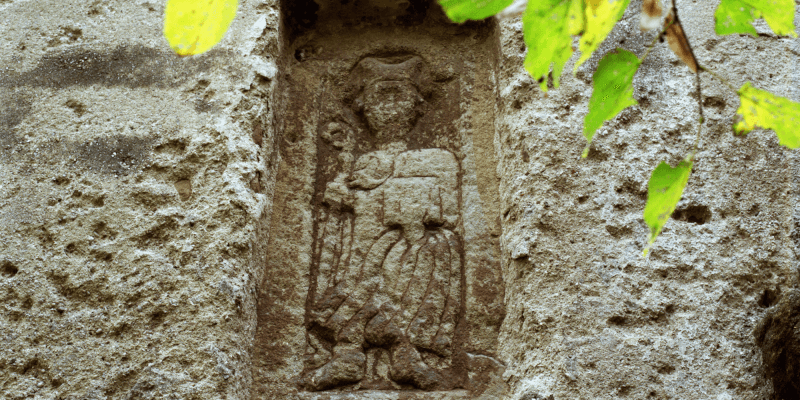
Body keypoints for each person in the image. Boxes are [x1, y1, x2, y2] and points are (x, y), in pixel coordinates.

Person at [303, 55, 464, 391]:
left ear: (418, 105)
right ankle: (348, 355)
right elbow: (357, 212)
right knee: (360, 271)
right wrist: (343, 198)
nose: (389, 106)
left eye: (399, 96)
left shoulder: (439, 158)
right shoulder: (363, 162)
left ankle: (406, 353)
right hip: (364, 250)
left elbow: (447, 212)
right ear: (363, 106)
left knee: (431, 251)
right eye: (380, 96)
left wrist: (402, 205)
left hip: (416, 245)